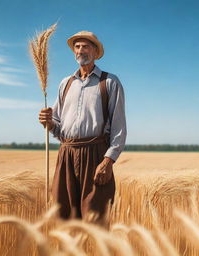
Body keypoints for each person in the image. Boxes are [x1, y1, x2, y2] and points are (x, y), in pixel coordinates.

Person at [39, 31, 126, 221]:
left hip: (96, 155)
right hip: (66, 154)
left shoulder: (109, 82)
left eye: (86, 46)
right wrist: (48, 121)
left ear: (95, 51)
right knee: (65, 218)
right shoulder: (65, 84)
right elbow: (59, 127)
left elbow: (119, 127)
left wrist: (107, 162)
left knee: (96, 218)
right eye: (77, 47)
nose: (81, 50)